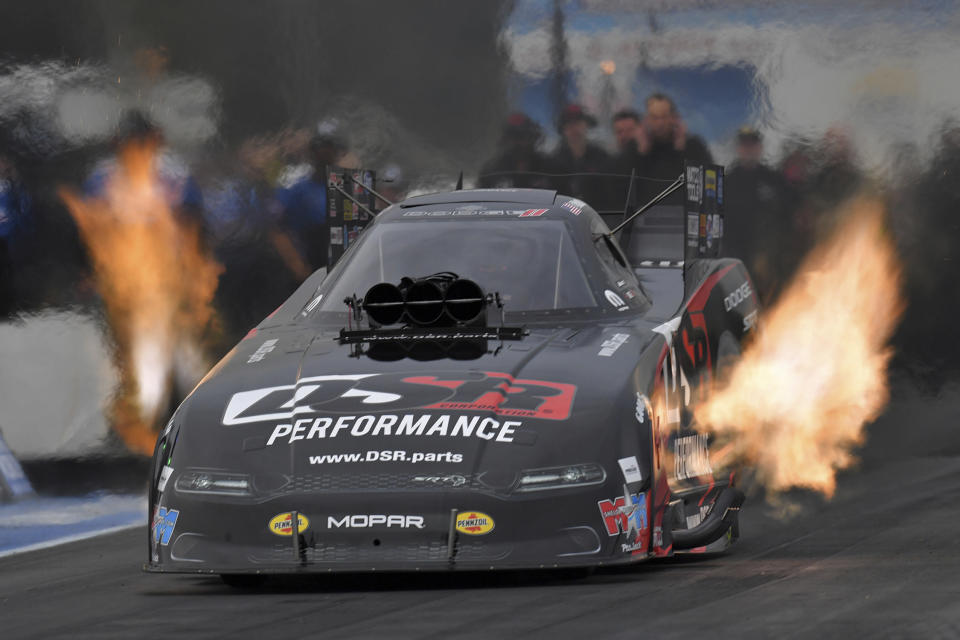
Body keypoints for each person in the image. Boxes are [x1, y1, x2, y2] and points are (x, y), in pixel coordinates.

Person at [271, 126, 346, 278]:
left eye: (330, 149)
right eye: (320, 149)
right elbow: (277, 228)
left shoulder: (351, 188)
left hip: (346, 263)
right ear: (311, 154)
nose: (325, 154)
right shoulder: (297, 190)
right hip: (311, 266)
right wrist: (296, 263)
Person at [724, 126, 789, 301]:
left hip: (768, 257)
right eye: (744, 145)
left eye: (752, 144)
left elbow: (786, 215)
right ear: (738, 148)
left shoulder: (774, 180)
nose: (748, 149)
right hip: (736, 258)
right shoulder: (728, 182)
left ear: (759, 148)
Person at [551, 104, 614, 211]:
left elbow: (611, 193)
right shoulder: (554, 162)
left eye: (578, 123)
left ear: (586, 126)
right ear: (563, 130)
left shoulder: (601, 157)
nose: (574, 129)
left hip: (599, 216)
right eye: (569, 125)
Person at [478, 113, 555, 189]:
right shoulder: (492, 172)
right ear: (506, 140)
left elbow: (564, 200)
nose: (520, 143)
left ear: (533, 139)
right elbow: (481, 199)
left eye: (524, 137)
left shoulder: (550, 170)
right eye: (515, 137)